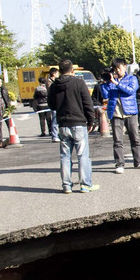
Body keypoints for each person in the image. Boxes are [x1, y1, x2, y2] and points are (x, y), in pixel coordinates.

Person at [47, 59, 98, 193]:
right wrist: (91, 121)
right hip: (79, 123)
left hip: (63, 124)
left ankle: (66, 185)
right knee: (83, 156)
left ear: (59, 71)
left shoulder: (54, 86)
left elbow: (51, 105)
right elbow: (88, 103)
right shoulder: (79, 83)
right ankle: (85, 184)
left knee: (65, 156)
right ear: (72, 70)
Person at [101, 57, 140, 174]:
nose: (117, 71)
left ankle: (138, 161)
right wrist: (105, 82)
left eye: (119, 68)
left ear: (124, 67)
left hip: (130, 112)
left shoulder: (132, 78)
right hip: (116, 112)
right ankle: (119, 164)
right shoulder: (111, 81)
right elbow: (105, 94)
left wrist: (117, 83)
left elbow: (131, 90)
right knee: (117, 140)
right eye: (115, 69)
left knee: (135, 138)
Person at [45, 67, 60, 142]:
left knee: (57, 119)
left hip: (58, 102)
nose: (58, 74)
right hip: (54, 103)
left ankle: (58, 134)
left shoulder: (55, 81)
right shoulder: (49, 82)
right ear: (53, 74)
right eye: (57, 73)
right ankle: (54, 136)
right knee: (54, 120)